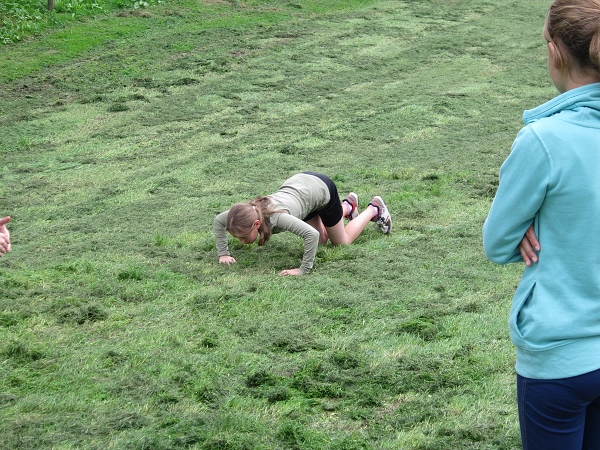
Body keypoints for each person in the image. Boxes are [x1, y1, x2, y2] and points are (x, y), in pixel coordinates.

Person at [483, 1, 600, 448]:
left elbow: (498, 243)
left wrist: (536, 223)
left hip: (560, 357)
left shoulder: (543, 140)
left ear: (554, 52)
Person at [214, 172, 392, 276]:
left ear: (257, 223)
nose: (242, 242)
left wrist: (302, 270)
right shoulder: (242, 212)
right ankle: (348, 206)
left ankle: (374, 209)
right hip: (303, 190)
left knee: (340, 242)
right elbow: (218, 221)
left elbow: (310, 235)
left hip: (321, 190)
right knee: (322, 241)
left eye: (244, 237)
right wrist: (223, 253)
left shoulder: (278, 218)